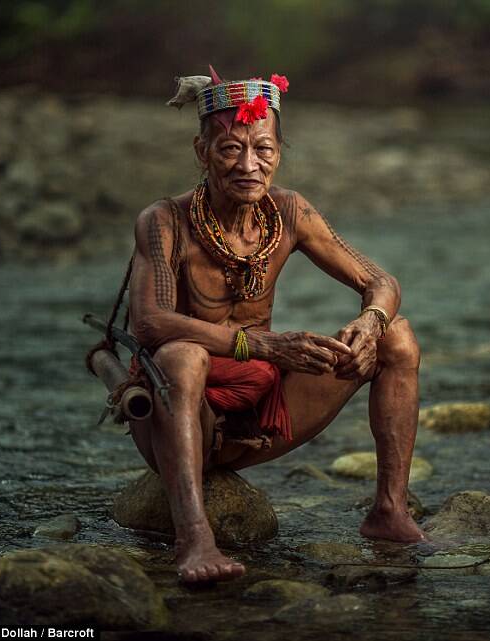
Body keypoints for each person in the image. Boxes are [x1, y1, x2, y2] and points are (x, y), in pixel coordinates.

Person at [125, 67, 426, 584]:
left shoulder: (288, 211)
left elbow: (381, 281)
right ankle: (195, 536)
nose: (249, 164)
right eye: (230, 150)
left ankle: (389, 513)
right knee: (183, 354)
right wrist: (259, 344)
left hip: (261, 416)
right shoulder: (165, 221)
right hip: (180, 416)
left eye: (263, 149)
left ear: (279, 152)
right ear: (202, 153)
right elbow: (151, 323)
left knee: (397, 333)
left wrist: (370, 321)